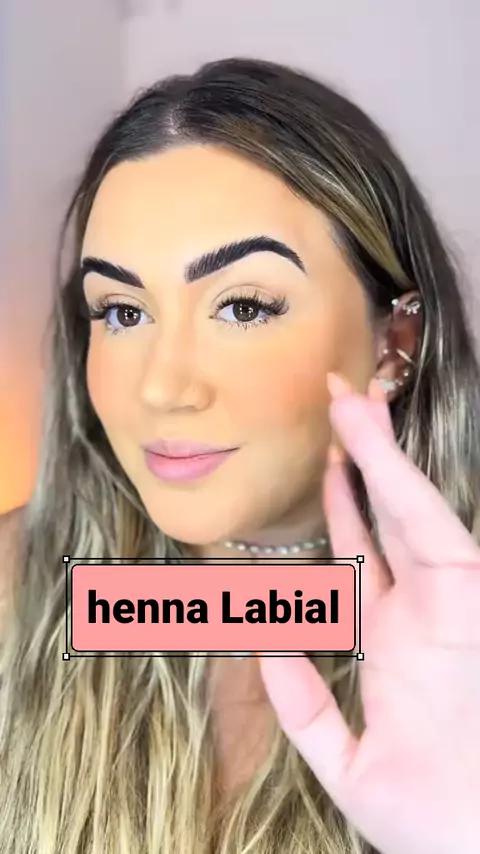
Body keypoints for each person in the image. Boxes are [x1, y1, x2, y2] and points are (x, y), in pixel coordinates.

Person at [0, 56, 479, 854]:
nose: (162, 386)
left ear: (394, 342)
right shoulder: (18, 584)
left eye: (245, 307)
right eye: (121, 312)